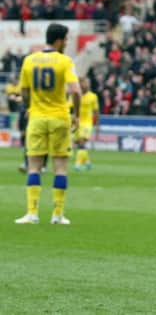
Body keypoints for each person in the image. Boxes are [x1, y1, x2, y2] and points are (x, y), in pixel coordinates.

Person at [15, 23, 81, 225]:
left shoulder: (29, 60)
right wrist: (76, 114)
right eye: (66, 40)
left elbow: (24, 92)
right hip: (59, 118)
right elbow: (76, 91)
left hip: (36, 118)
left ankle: (32, 213)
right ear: (59, 40)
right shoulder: (64, 61)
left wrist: (29, 106)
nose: (67, 43)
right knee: (60, 166)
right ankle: (57, 215)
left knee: (34, 166)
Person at [74, 77, 99, 171]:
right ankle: (87, 162)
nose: (85, 85)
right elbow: (69, 107)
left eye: (86, 83)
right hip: (77, 123)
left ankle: (78, 164)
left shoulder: (93, 96)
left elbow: (96, 111)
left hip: (87, 123)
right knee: (79, 143)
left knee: (81, 141)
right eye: (83, 83)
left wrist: (97, 125)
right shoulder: (75, 95)